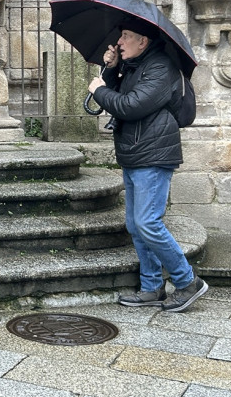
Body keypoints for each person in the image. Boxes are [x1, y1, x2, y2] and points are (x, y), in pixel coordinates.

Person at [87, 16, 208, 313]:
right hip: (135, 153)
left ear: (143, 41)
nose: (119, 41)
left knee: (147, 222)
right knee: (136, 224)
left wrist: (99, 90)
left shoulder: (160, 68)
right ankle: (152, 286)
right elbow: (123, 96)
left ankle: (187, 281)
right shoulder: (136, 67)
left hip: (153, 155)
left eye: (126, 35)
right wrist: (113, 70)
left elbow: (130, 105)